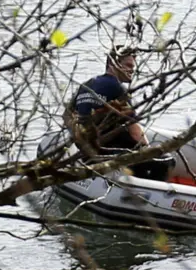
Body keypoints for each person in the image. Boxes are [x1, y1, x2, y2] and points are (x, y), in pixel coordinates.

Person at [68, 47, 172, 181]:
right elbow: (134, 130)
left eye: (133, 66)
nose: (132, 70)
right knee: (165, 161)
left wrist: (80, 141)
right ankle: (150, 190)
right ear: (113, 64)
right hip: (112, 154)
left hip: (89, 154)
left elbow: (67, 115)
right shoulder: (117, 88)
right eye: (128, 65)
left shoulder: (86, 85)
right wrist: (148, 150)